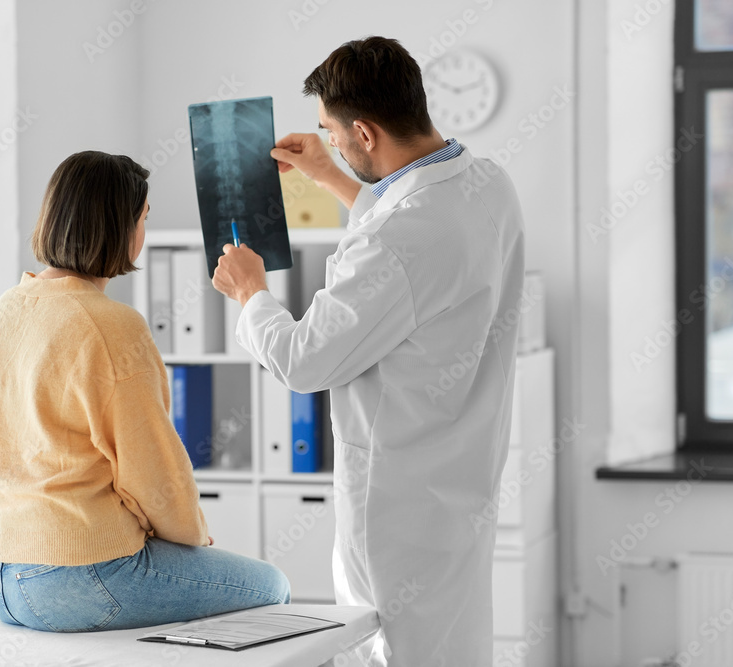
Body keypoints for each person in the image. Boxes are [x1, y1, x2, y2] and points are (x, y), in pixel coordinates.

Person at [212, 36, 525, 666]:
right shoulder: (488, 184)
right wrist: (330, 174)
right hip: (456, 489)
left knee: (394, 655)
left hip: (396, 511)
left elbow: (304, 361)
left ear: (365, 130)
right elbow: (417, 246)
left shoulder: (395, 239)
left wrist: (251, 294)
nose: (328, 143)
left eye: (331, 134)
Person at [0, 150, 290, 633]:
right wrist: (191, 538)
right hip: (79, 575)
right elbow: (152, 467)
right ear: (121, 227)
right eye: (142, 217)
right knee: (271, 586)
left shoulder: (7, 309)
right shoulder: (112, 326)